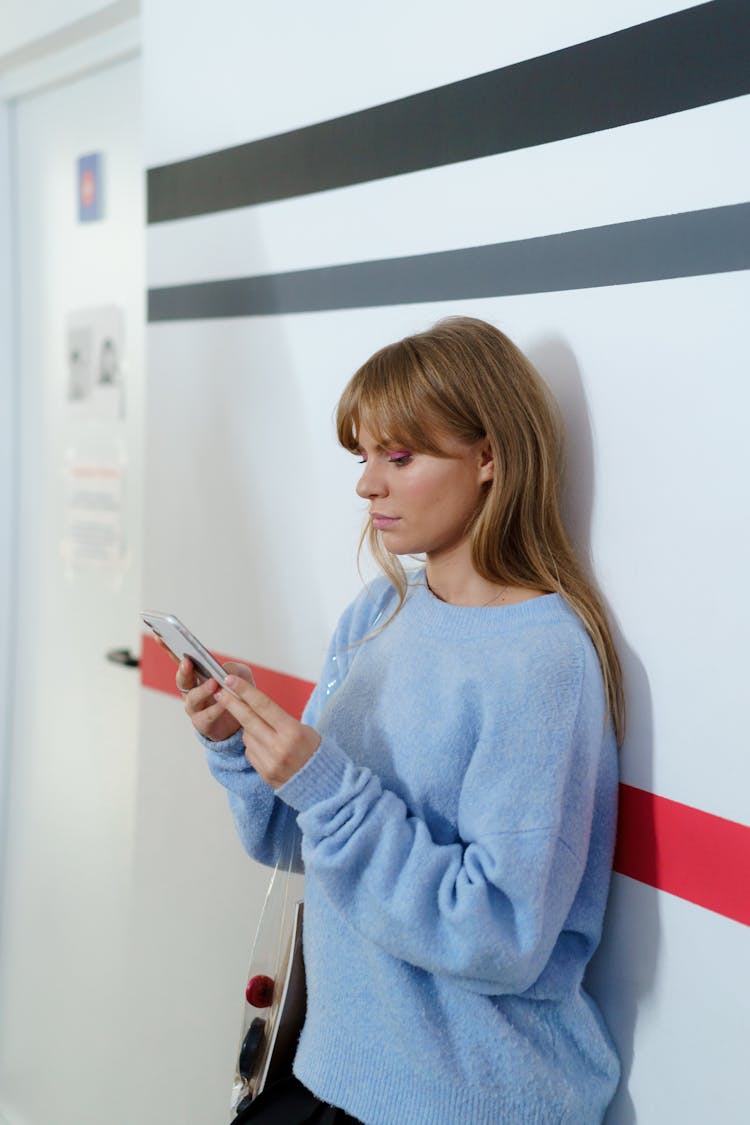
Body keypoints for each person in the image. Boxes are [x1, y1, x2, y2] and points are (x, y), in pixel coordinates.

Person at [176, 316, 624, 1124]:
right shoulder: (379, 611)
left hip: (462, 1100)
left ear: (490, 456)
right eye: (363, 456)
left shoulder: (544, 661)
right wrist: (239, 746)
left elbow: (499, 934)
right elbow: (297, 838)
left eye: (400, 456)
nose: (366, 485)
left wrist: (326, 782)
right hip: (332, 1074)